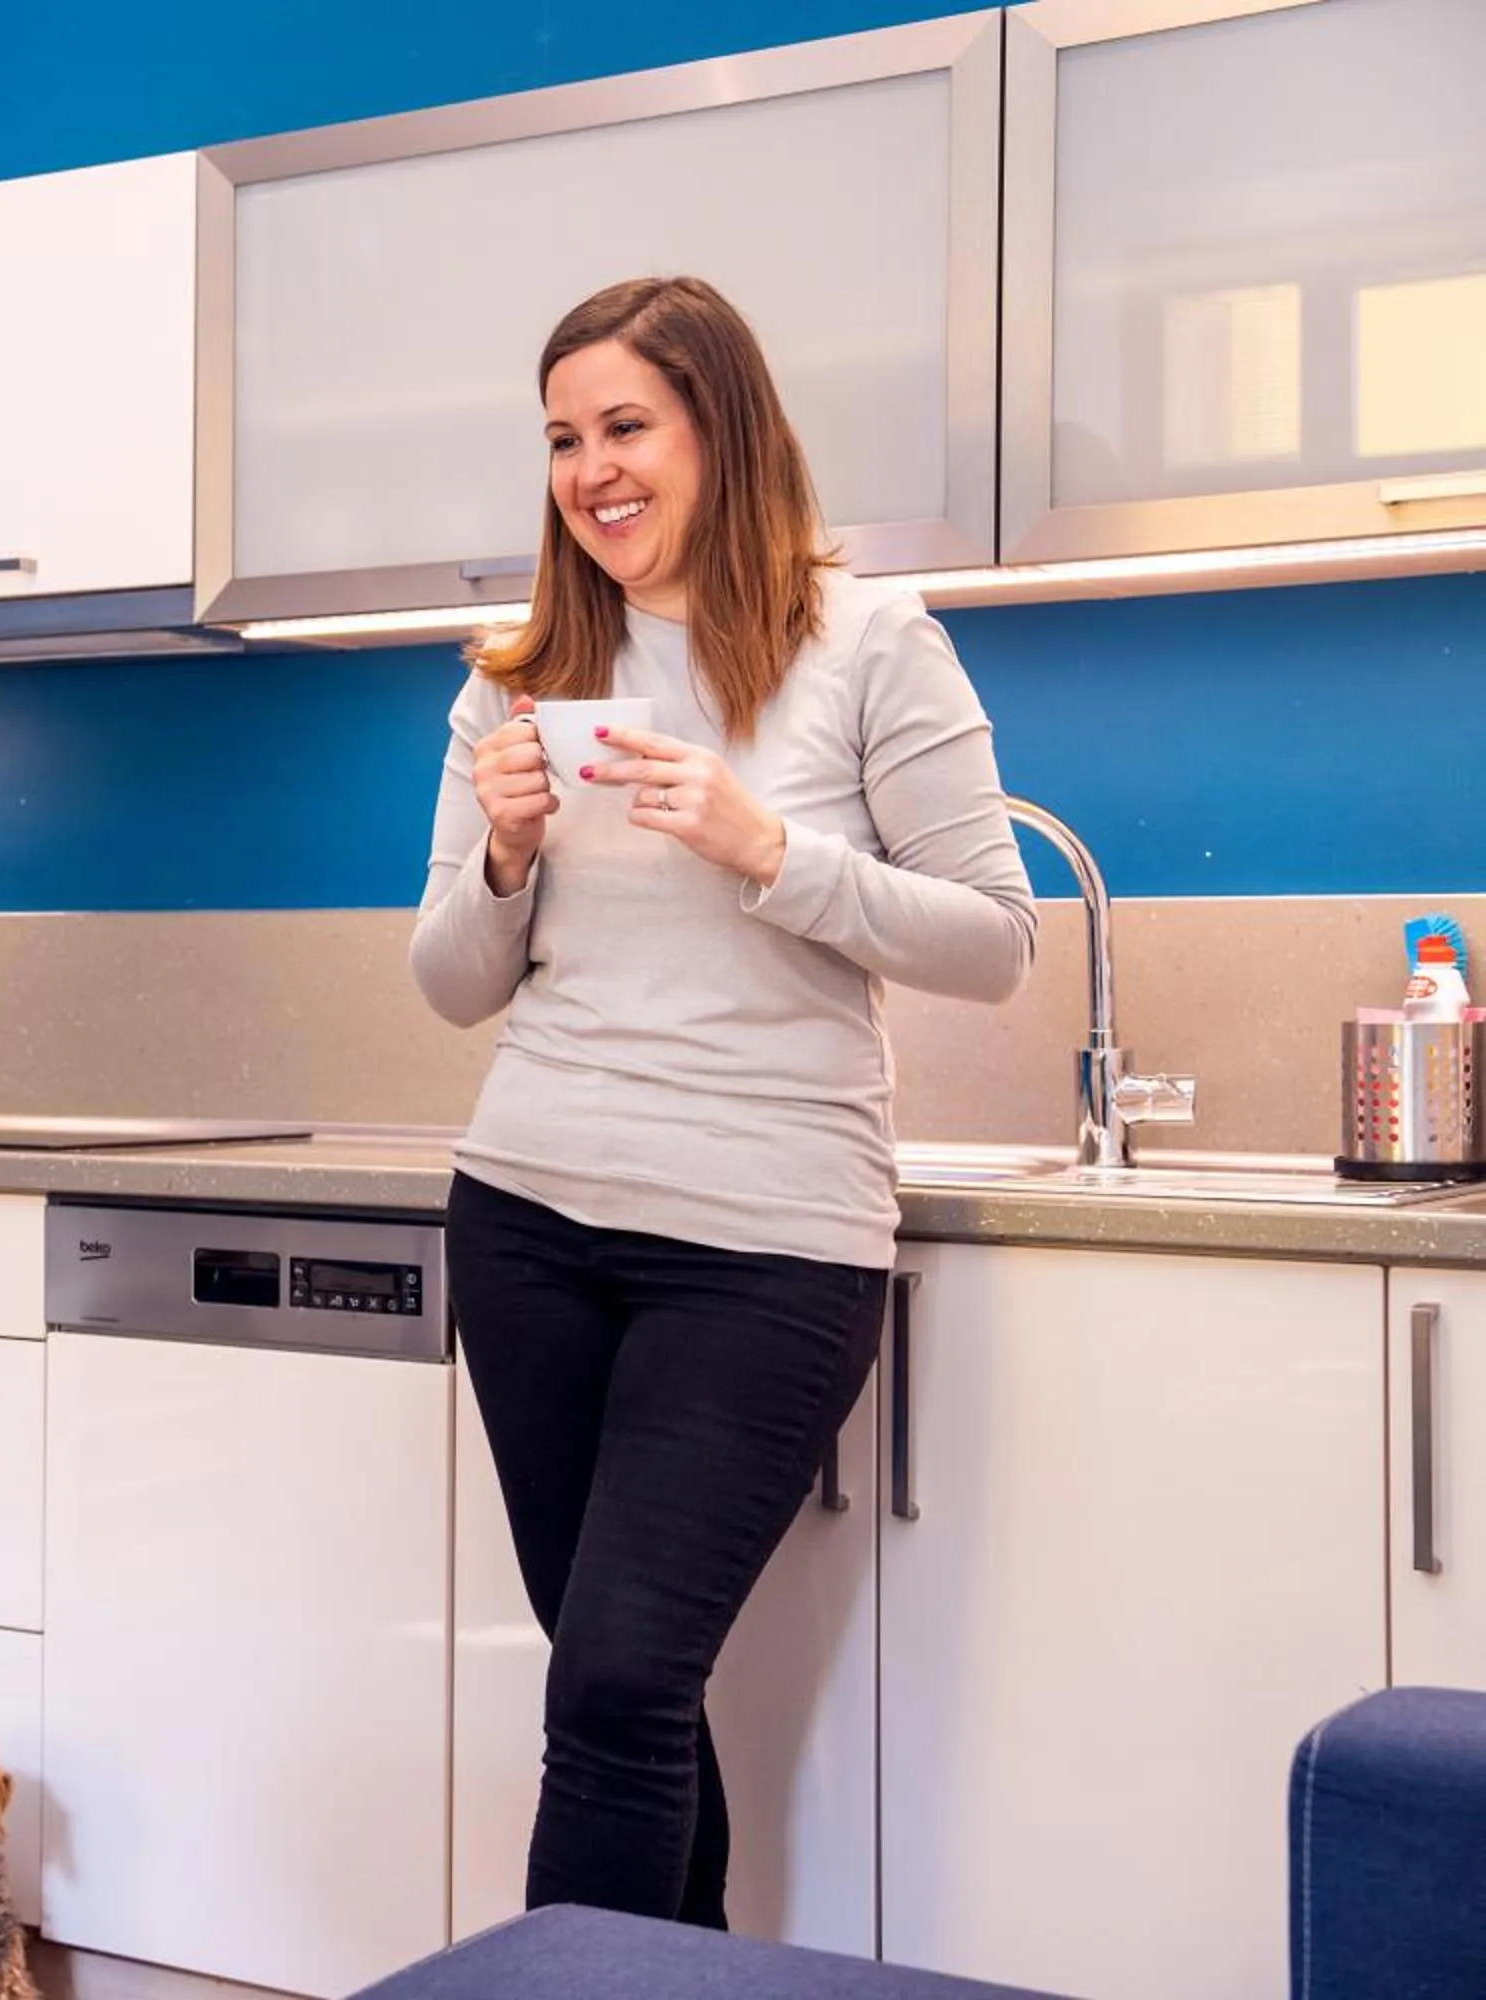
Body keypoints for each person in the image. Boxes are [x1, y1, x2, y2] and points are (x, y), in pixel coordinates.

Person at [409, 276, 1035, 1926]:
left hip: (763, 1245)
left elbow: (995, 940)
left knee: (612, 1690)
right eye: (563, 439)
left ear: (720, 429)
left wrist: (774, 851)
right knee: (632, 1701)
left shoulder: (870, 646)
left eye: (628, 427)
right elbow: (453, 980)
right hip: (529, 1224)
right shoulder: (518, 678)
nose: (593, 470)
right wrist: (508, 853)